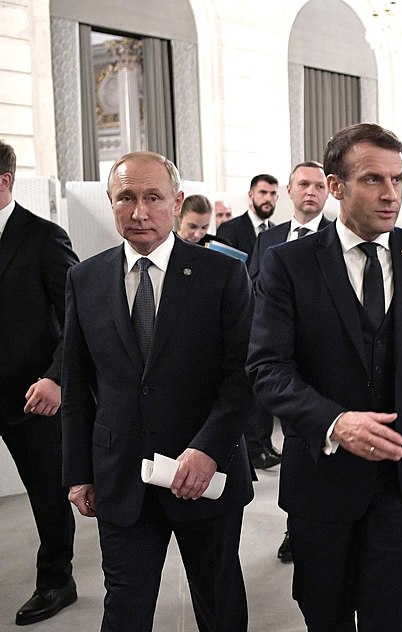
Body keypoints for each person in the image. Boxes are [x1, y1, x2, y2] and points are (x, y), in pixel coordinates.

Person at [246, 123, 402, 630]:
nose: (391, 195)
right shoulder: (288, 263)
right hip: (322, 480)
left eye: (398, 179)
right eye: (373, 180)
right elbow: (267, 367)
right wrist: (335, 422)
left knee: (390, 619)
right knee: (326, 616)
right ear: (336, 186)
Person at [62, 151, 255, 631]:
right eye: (126, 197)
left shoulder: (222, 274)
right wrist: (78, 472)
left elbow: (243, 377)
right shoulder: (84, 279)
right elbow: (77, 382)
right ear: (111, 201)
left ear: (177, 201)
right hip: (121, 475)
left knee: (218, 601)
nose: (139, 211)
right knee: (124, 608)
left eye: (153, 197)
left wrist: (208, 451)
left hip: (205, 475)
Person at [0, 139, 79, 625]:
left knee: (48, 494)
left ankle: (57, 580)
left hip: (31, 396)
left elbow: (77, 319)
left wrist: (55, 379)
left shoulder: (43, 237)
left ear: (4, 182)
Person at [246, 160, 331, 560]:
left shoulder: (336, 237)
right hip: (280, 357)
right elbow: (255, 287)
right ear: (290, 192)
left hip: (322, 358)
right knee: (295, 452)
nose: (311, 191)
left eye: (318, 185)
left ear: (328, 192)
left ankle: (320, 526)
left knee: (324, 443)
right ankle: (294, 527)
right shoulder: (270, 240)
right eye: (303, 184)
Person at [217, 174, 279, 257]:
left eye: (273, 193)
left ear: (277, 197)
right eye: (263, 192)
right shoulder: (229, 229)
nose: (268, 198)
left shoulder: (277, 231)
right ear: (250, 195)